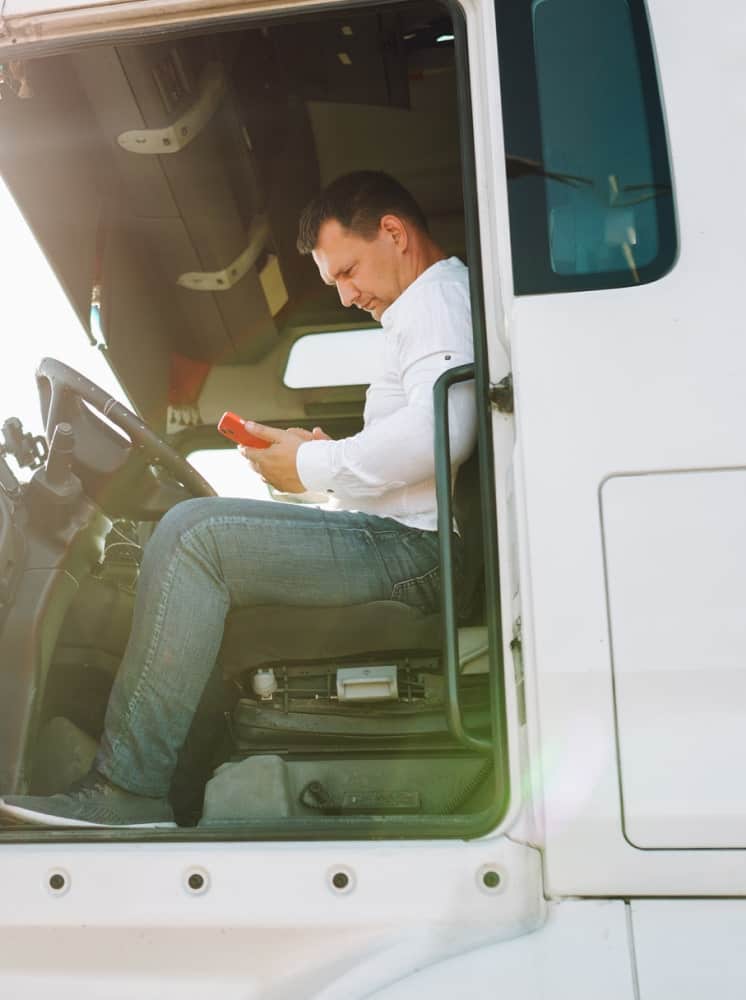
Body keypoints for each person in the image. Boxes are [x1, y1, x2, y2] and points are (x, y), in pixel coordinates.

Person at [0, 170, 476, 827]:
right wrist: (318, 455)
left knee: (197, 537)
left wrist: (313, 463)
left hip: (414, 554)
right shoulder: (422, 311)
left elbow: (444, 431)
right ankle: (187, 782)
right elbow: (414, 443)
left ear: (393, 233)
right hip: (401, 539)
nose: (345, 295)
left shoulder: (437, 298)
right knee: (190, 542)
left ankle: (126, 792)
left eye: (347, 270)